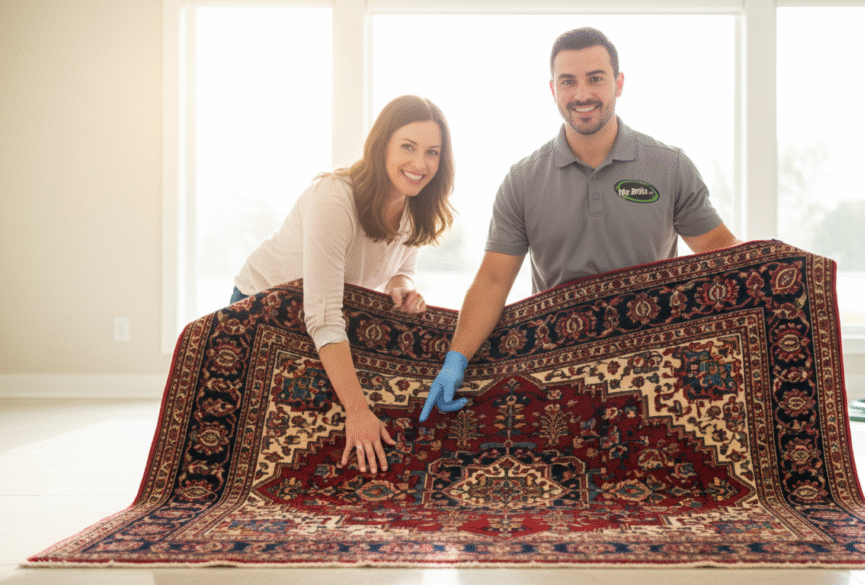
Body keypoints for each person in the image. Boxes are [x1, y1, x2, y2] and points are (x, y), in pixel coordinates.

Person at [419, 27, 742, 422]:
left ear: (619, 83)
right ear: (552, 89)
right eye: (568, 81)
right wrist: (456, 359)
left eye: (595, 78)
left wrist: (778, 269)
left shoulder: (669, 167)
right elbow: (492, 281)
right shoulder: (522, 181)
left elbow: (723, 255)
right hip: (559, 380)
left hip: (655, 377)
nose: (581, 94)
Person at [232, 95, 456, 474]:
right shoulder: (334, 197)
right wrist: (359, 411)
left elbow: (403, 264)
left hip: (322, 311)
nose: (421, 164)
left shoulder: (416, 203)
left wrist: (400, 286)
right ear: (381, 145)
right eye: (408, 147)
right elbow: (323, 317)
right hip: (265, 304)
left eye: (432, 152)